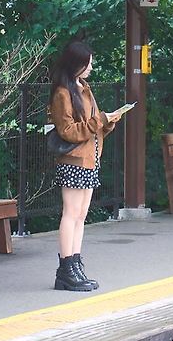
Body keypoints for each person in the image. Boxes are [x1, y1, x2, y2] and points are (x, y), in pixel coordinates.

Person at [48, 39, 129, 292]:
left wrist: (108, 122)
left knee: (81, 215)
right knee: (71, 213)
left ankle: (75, 264)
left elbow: (92, 124)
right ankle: (65, 270)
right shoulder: (62, 93)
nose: (91, 67)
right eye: (88, 63)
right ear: (76, 64)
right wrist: (99, 121)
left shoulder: (84, 88)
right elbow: (68, 131)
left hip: (91, 158)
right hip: (74, 160)